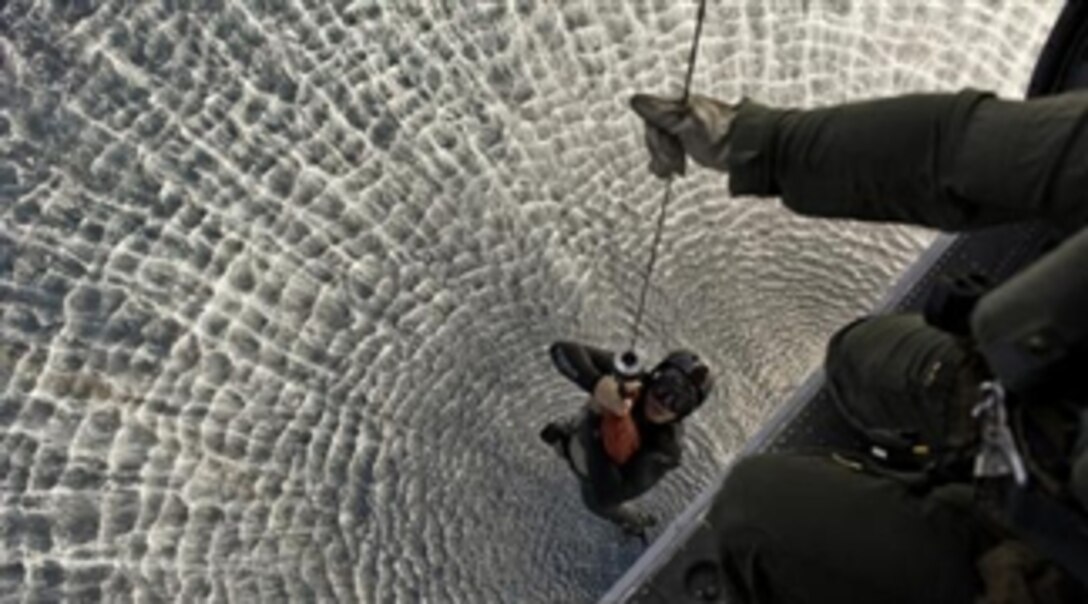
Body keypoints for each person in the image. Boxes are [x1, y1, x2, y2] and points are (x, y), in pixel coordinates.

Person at [628, 89, 1088, 603]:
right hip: (1033, 402)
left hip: (1046, 568)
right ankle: (925, 475)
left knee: (754, 510)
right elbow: (963, 148)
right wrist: (752, 142)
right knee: (858, 356)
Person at [541, 342, 714, 538]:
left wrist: (595, 420)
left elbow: (607, 496)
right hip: (581, 438)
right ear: (653, 377)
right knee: (558, 437)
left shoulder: (665, 448)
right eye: (663, 388)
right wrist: (596, 383)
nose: (663, 403)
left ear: (685, 413)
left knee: (596, 506)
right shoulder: (633, 377)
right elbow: (560, 350)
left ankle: (636, 523)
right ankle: (567, 444)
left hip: (595, 475)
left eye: (679, 402)